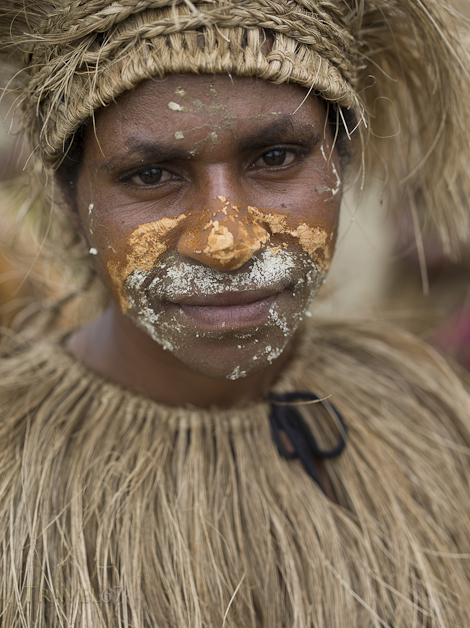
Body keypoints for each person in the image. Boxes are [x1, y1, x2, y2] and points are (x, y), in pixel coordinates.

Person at [1, 0, 470, 626]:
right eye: (150, 174)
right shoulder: (14, 479)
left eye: (276, 157)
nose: (226, 243)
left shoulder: (433, 423)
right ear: (71, 196)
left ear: (342, 163)